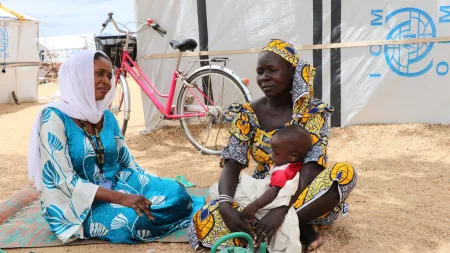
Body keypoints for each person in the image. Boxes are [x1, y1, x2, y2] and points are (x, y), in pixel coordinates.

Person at [187, 39, 358, 252]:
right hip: (261, 195)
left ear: (291, 72)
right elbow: (232, 163)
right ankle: (291, 227)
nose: (264, 77)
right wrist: (224, 205)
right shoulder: (246, 113)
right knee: (206, 219)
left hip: (299, 192)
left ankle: (275, 225)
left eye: (272, 70)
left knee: (344, 174)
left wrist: (281, 210)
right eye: (260, 72)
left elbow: (313, 166)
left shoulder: (312, 111)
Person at [28, 51, 205, 244]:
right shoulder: (54, 117)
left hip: (118, 185)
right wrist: (122, 198)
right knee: (131, 222)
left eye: (109, 76)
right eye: (99, 74)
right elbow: (63, 180)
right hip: (78, 203)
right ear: (79, 76)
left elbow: (127, 164)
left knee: (177, 193)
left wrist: (147, 186)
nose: (106, 80)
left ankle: (158, 208)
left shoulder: (106, 116)